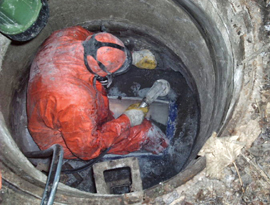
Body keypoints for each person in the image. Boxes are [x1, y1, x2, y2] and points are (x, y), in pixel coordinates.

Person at [27, 26, 169, 160]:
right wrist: (127, 120)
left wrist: (129, 57)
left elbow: (101, 47)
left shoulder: (68, 35)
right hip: (61, 139)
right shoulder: (76, 101)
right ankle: (164, 149)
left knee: (102, 113)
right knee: (143, 132)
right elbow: (87, 149)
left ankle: (110, 123)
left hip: (54, 106)